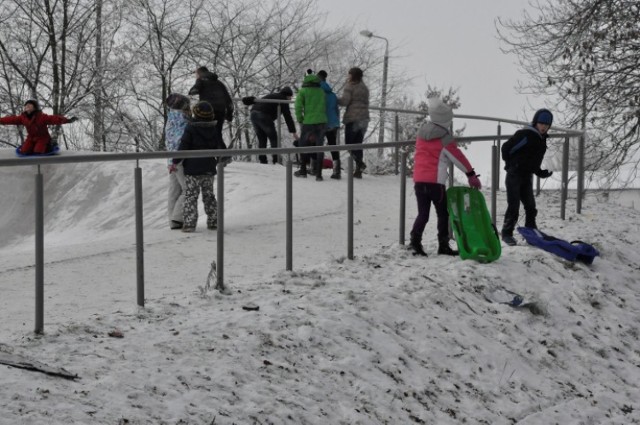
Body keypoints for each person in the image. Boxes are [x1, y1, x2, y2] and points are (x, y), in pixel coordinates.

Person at [409, 97, 482, 257]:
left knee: (423, 214)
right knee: (443, 214)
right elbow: (458, 158)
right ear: (446, 121)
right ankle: (443, 245)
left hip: (419, 181)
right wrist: (471, 174)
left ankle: (414, 242)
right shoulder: (445, 138)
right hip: (436, 183)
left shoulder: (421, 132)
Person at [500, 108, 554, 246]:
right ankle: (507, 233)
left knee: (531, 206)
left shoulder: (542, 140)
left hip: (526, 176)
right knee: (514, 206)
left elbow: (534, 163)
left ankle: (531, 230)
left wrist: (541, 173)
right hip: (514, 175)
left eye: (547, 125)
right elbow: (506, 148)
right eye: (541, 123)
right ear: (536, 122)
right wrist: (511, 164)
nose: (544, 127)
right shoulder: (525, 134)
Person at [172, 101, 224, 233]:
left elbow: (183, 146)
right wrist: (222, 158)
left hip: (192, 170)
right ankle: (214, 222)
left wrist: (175, 162)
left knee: (191, 196)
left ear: (195, 114)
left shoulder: (190, 128)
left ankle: (189, 224)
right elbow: (219, 146)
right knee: (209, 196)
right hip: (208, 169)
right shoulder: (214, 129)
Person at [243, 87, 298, 164]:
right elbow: (287, 116)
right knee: (273, 138)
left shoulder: (272, 95)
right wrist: (293, 131)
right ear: (287, 95)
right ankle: (276, 160)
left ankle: (263, 160)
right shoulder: (282, 99)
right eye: (290, 97)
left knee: (262, 139)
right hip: (263, 115)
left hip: (253, 114)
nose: (290, 99)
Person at [0, 99, 76, 155]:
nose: (27, 106)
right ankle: (32, 147)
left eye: (30, 105)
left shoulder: (41, 117)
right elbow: (11, 119)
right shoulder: (23, 117)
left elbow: (54, 119)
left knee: (38, 152)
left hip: (42, 138)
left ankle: (50, 145)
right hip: (31, 138)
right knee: (24, 151)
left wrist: (67, 120)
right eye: (26, 105)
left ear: (35, 108)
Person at [294, 70, 327, 180]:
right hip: (322, 122)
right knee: (319, 147)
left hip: (308, 122)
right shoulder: (321, 91)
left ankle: (303, 170)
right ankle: (319, 174)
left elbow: (298, 107)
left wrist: (300, 119)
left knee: (303, 145)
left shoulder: (303, 91)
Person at [165, 93, 191, 230]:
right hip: (181, 159)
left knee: (174, 190)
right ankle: (177, 217)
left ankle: (172, 221)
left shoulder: (171, 119)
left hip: (171, 159)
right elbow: (184, 141)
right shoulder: (185, 121)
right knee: (188, 189)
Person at [338, 67, 369, 178]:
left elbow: (345, 101)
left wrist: (334, 99)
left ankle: (360, 164)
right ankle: (358, 170)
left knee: (349, 145)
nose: (348, 76)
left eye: (349, 74)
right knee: (358, 144)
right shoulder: (364, 87)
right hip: (364, 119)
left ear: (353, 75)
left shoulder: (350, 86)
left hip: (353, 119)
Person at [188, 66, 234, 140]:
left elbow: (194, 91)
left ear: (199, 73)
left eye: (196, 74)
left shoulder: (200, 80)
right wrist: (229, 115)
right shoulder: (220, 83)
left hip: (207, 111)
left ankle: (206, 150)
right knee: (218, 134)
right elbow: (228, 100)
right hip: (220, 111)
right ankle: (221, 150)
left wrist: (193, 91)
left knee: (205, 134)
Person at [317, 70, 342, 179]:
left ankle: (316, 170)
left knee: (318, 145)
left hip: (322, 121)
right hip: (334, 122)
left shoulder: (317, 92)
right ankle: (337, 171)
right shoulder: (332, 94)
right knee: (333, 145)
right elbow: (336, 110)